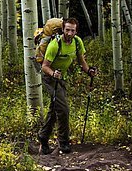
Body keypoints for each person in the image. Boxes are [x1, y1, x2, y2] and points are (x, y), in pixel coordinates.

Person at [38, 17, 96, 154]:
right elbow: (45, 67)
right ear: (63, 29)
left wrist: (89, 71)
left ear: (76, 31)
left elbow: (82, 61)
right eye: (67, 30)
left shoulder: (77, 42)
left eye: (73, 30)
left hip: (60, 77)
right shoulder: (54, 44)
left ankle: (43, 137)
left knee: (55, 108)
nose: (70, 33)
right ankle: (63, 142)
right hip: (50, 78)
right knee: (63, 109)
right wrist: (53, 74)